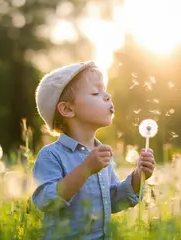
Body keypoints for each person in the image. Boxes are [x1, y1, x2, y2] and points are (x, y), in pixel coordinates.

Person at [32, 60, 155, 240]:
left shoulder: (101, 154)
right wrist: (85, 169)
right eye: (96, 92)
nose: (107, 96)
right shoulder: (51, 155)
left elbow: (112, 201)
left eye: (105, 91)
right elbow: (46, 201)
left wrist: (138, 177)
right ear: (67, 109)